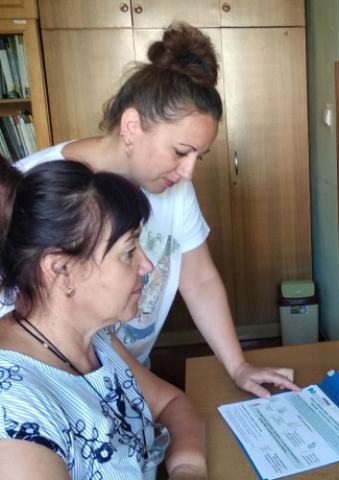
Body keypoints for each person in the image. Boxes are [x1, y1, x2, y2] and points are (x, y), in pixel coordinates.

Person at [9, 22, 299, 398]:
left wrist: (238, 366)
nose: (188, 172)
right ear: (132, 126)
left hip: (135, 383)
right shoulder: (34, 188)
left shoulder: (173, 187)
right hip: (53, 392)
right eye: (180, 152)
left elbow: (200, 279)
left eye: (198, 157)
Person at [0, 158, 207, 479]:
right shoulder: (14, 413)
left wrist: (187, 468)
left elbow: (171, 403)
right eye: (129, 251)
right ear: (61, 269)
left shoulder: (94, 339)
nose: (147, 265)